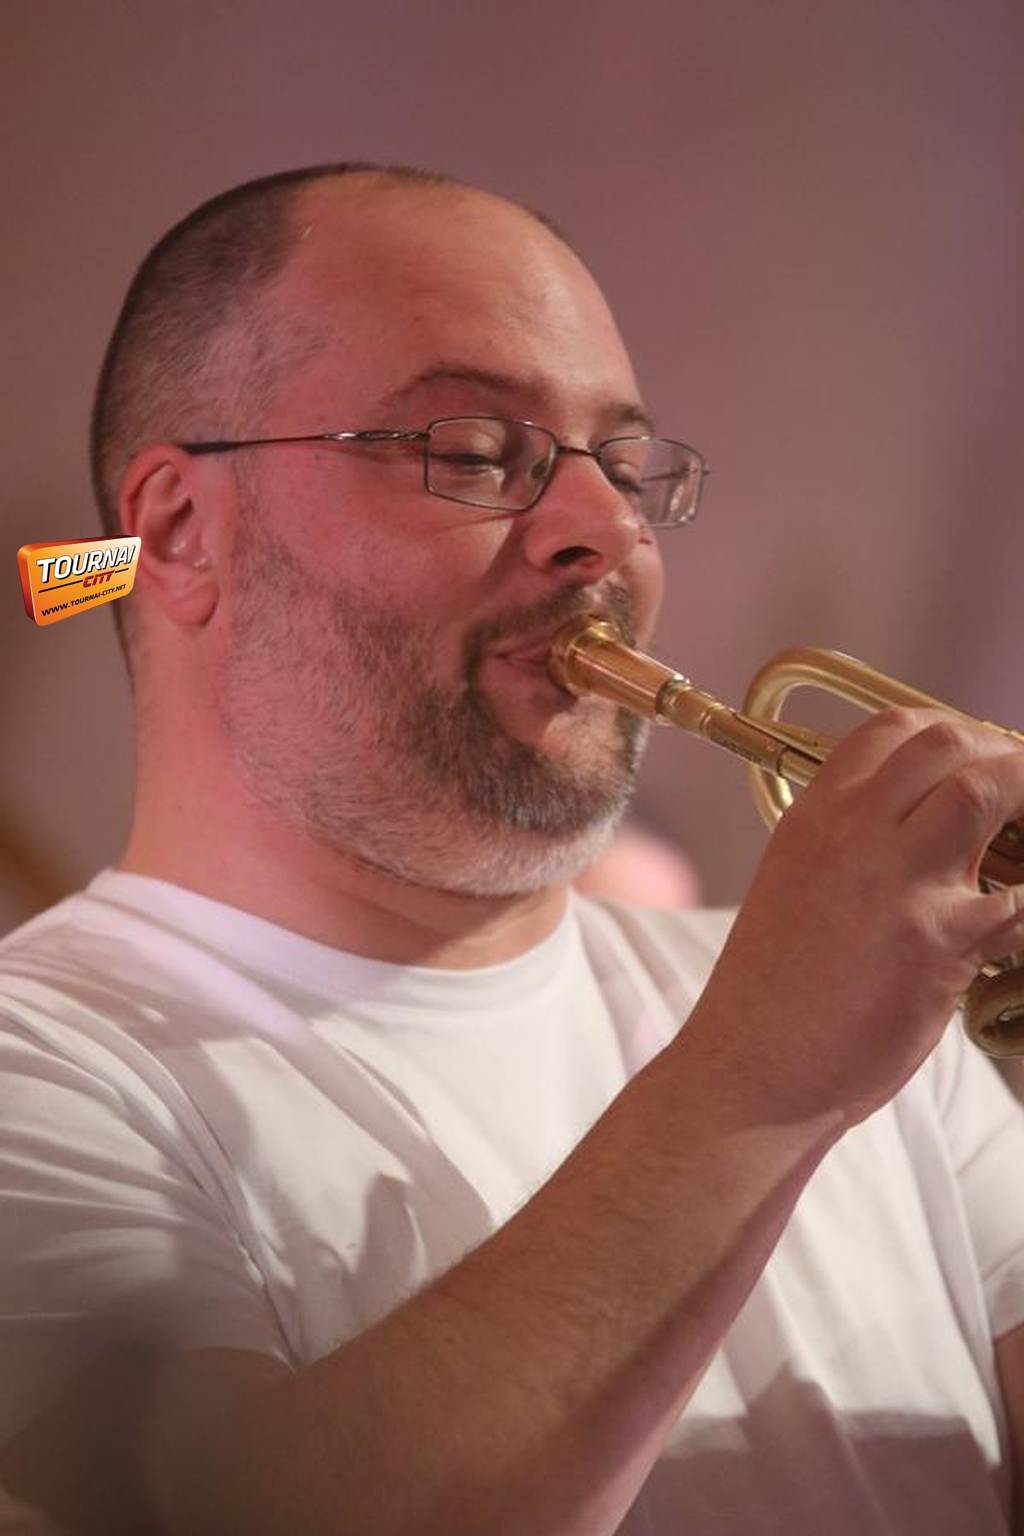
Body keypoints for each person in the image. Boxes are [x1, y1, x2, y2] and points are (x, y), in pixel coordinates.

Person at [1, 162, 1023, 1536]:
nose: (611, 533)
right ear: (179, 533)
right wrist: (768, 1071)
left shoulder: (867, 1015)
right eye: (477, 453)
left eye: (627, 466)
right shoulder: (41, 1069)